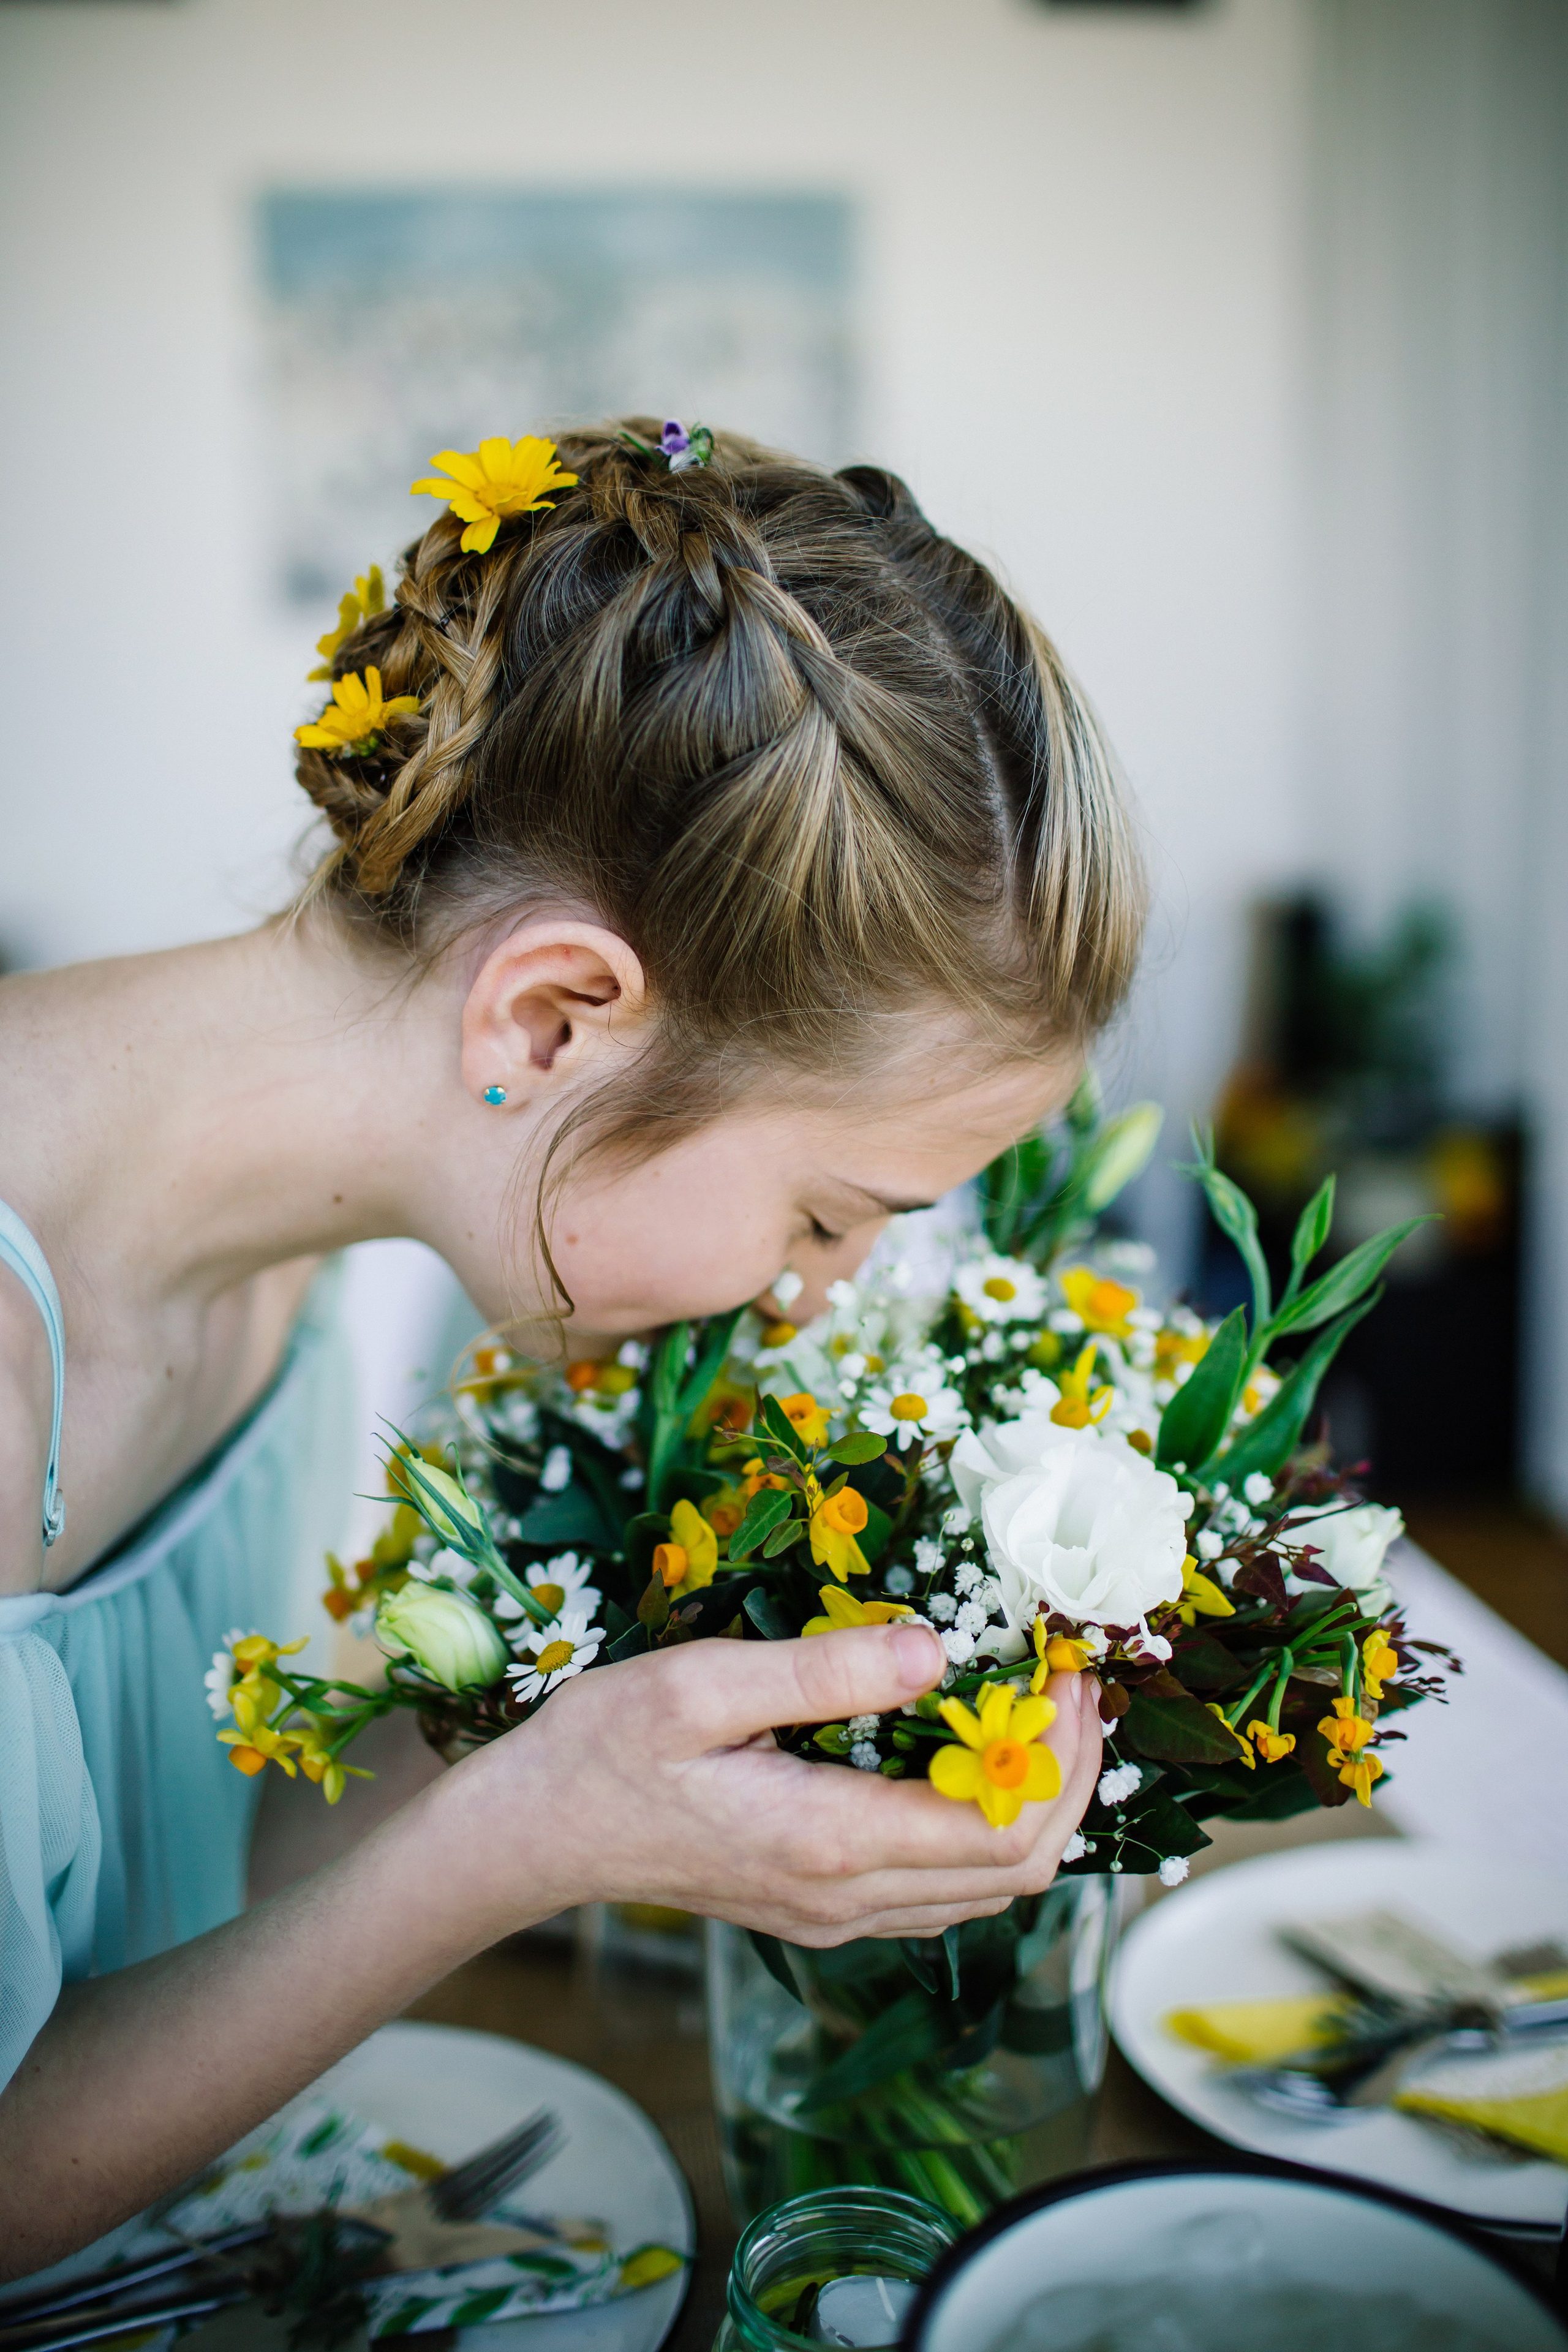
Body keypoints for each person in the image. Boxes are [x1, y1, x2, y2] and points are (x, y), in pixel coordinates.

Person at [0, 422, 1140, 2277]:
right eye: (827, 1215)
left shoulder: (292, 1259)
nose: (817, 1297)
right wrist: (526, 1836)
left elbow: (204, 1878)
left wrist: (593, 1723)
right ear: (548, 1020)